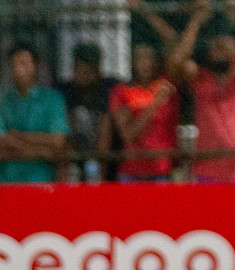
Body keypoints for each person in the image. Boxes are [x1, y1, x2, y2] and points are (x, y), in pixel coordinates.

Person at [138, 0, 235, 183]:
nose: (217, 51)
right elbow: (176, 61)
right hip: (207, 173)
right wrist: (196, 20)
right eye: (214, 48)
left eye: (223, 47)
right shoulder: (201, 77)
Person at [108, 43, 180, 182]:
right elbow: (128, 134)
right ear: (132, 62)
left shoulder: (167, 86)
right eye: (140, 58)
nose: (145, 62)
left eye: (149, 57)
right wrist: (154, 104)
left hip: (162, 171)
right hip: (132, 172)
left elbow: (175, 46)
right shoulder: (122, 92)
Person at [1, 42, 69, 183]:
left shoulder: (53, 99)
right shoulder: (3, 101)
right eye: (14, 65)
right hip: (7, 182)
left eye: (24, 64)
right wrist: (42, 151)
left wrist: (18, 137)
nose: (19, 70)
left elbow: (58, 141)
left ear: (36, 65)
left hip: (42, 181)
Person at [59, 42, 118, 181]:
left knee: (106, 123)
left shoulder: (107, 88)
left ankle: (97, 184)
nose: (85, 74)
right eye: (81, 68)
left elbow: (107, 128)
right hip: (75, 150)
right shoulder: (66, 90)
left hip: (102, 155)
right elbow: (65, 127)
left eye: (90, 69)